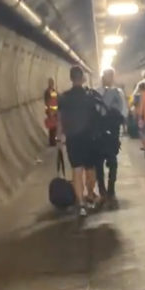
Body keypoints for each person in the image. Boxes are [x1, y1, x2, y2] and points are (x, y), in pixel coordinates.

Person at [57, 66, 99, 218]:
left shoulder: (63, 97)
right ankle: (90, 195)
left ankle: (81, 204)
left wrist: (59, 137)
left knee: (77, 170)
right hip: (89, 137)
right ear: (82, 78)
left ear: (70, 78)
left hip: (73, 138)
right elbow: (95, 118)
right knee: (90, 169)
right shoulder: (89, 96)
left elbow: (60, 118)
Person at [95, 68, 127, 209]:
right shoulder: (118, 93)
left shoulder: (97, 92)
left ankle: (104, 190)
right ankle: (109, 191)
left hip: (101, 132)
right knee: (111, 161)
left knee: (100, 162)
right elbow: (124, 112)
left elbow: (93, 111)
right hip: (111, 132)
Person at [44, 78, 59, 146]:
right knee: (51, 127)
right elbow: (47, 101)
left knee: (54, 126)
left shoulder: (53, 91)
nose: (51, 84)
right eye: (50, 82)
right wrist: (49, 111)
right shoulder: (47, 92)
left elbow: (55, 100)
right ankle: (52, 141)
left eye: (52, 82)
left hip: (54, 110)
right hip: (50, 111)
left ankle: (54, 140)